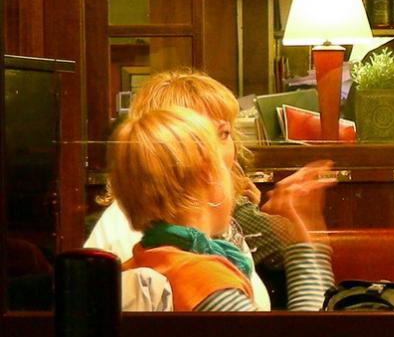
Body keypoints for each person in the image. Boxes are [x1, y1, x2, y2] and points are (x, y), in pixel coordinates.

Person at [84, 69, 333, 310]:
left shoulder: (165, 246)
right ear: (203, 173)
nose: (230, 162)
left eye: (225, 134)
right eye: (215, 136)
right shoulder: (194, 272)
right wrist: (304, 241)